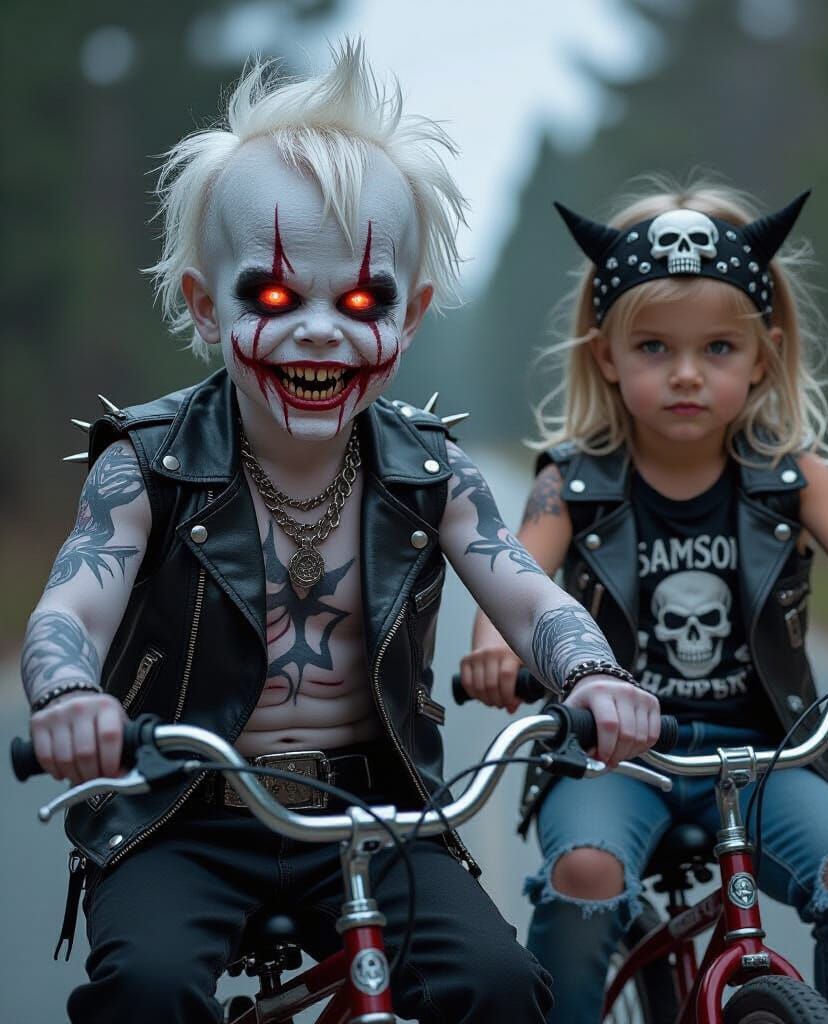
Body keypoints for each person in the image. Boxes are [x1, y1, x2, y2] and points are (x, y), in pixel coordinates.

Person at [19, 42, 660, 1024]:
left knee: (497, 985)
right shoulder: (144, 465)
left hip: (379, 814)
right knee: (148, 989)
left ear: (411, 318)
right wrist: (68, 692)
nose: (320, 329)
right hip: (179, 815)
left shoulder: (432, 472)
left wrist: (592, 673)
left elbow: (530, 596)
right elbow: (72, 604)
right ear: (204, 304)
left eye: (362, 301)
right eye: (273, 298)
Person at [460, 177, 828, 1024]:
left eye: (718, 349)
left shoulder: (792, 477)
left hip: (765, 754)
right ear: (606, 357)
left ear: (763, 356)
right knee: (586, 876)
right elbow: (512, 578)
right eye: (654, 348)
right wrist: (493, 648)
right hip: (611, 756)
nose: (687, 374)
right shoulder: (571, 483)